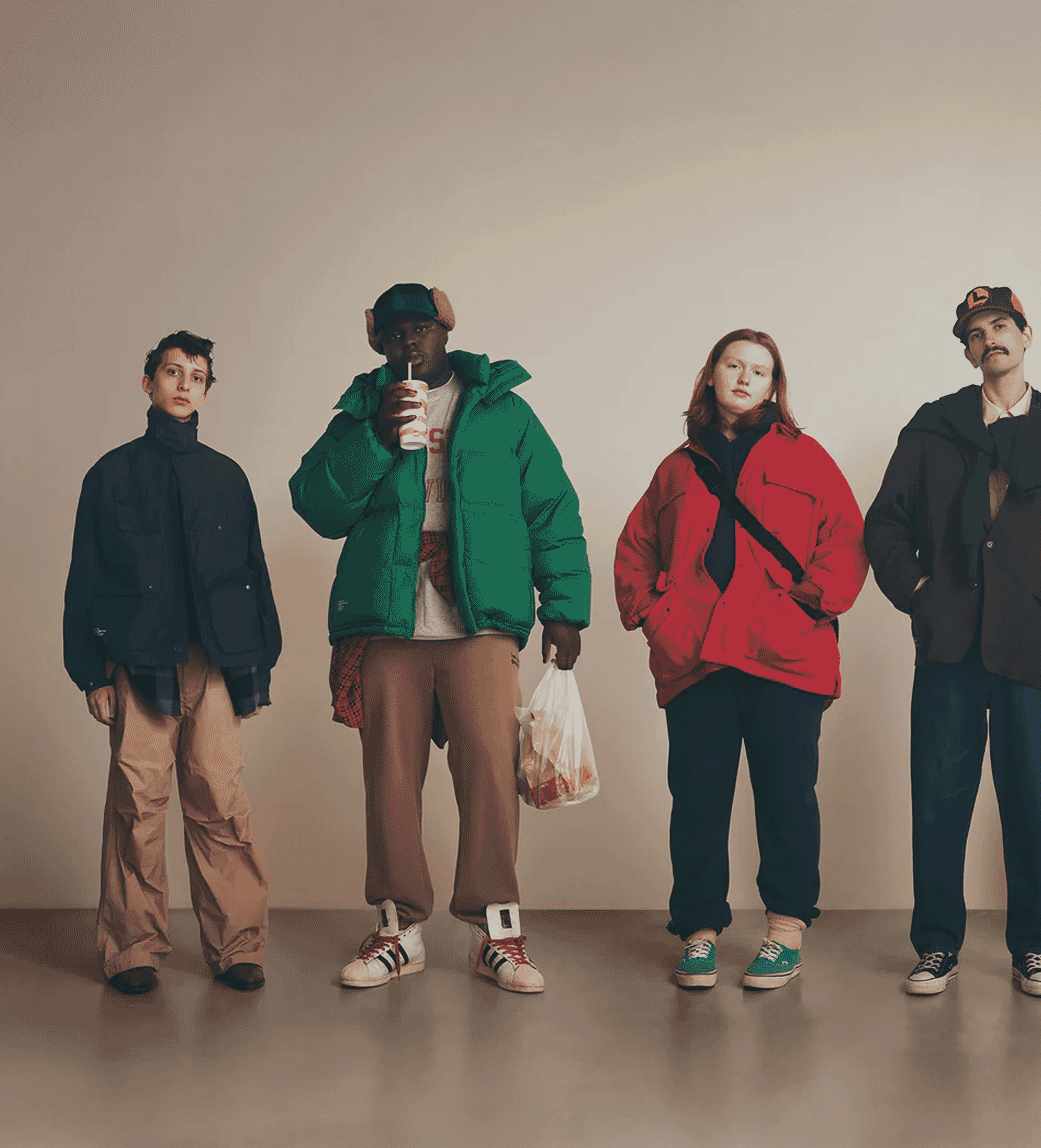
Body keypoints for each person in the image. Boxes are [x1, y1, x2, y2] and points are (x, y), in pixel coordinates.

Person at [290, 284, 590, 994]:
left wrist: (565, 609)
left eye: (421, 329)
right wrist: (373, 439)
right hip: (389, 619)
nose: (409, 344)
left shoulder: (503, 411)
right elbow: (316, 505)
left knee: (490, 770)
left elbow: (552, 507)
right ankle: (398, 931)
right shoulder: (363, 409)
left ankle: (498, 932)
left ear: (446, 331)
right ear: (377, 341)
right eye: (394, 334)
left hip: (479, 620)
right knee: (389, 776)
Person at [865, 286, 1041, 997]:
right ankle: (937, 946)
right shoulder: (932, 430)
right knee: (939, 799)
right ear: (968, 350)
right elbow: (884, 525)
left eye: (1000, 325)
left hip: (1032, 646)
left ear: (1026, 335)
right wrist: (920, 596)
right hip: (949, 645)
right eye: (975, 332)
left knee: (1033, 801)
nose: (989, 339)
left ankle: (1033, 946)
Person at [613, 329, 867, 991]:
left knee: (786, 796)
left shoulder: (808, 458)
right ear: (711, 375)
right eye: (734, 364)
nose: (746, 377)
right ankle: (697, 934)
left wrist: (798, 613)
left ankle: (785, 931)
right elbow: (634, 551)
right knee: (697, 799)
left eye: (761, 369)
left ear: (775, 384)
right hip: (697, 660)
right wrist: (659, 621)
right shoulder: (675, 468)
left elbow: (845, 543)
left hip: (785, 659)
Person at [64, 331, 278, 994]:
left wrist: (255, 669)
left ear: (207, 389)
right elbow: (86, 576)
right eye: (172, 371)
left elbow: (253, 574)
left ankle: (238, 944)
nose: (185, 383)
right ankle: (132, 947)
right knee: (137, 802)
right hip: (138, 662)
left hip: (214, 663)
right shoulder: (111, 474)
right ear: (148, 382)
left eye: (198, 375)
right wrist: (93, 671)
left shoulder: (226, 475)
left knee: (220, 798)